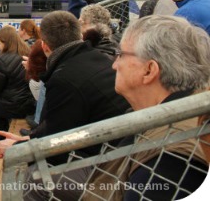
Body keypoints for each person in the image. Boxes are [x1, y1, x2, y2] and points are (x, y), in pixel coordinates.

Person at [0, 11, 130, 200]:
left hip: (110, 166)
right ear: (79, 36)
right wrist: (26, 140)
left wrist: (20, 148)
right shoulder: (97, 58)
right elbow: (60, 127)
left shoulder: (65, 78)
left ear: (44, 45)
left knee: (36, 178)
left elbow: (54, 144)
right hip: (118, 150)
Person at [86, 15, 210, 200]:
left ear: (149, 70)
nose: (114, 64)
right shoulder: (175, 117)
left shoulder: (171, 161)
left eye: (120, 55)